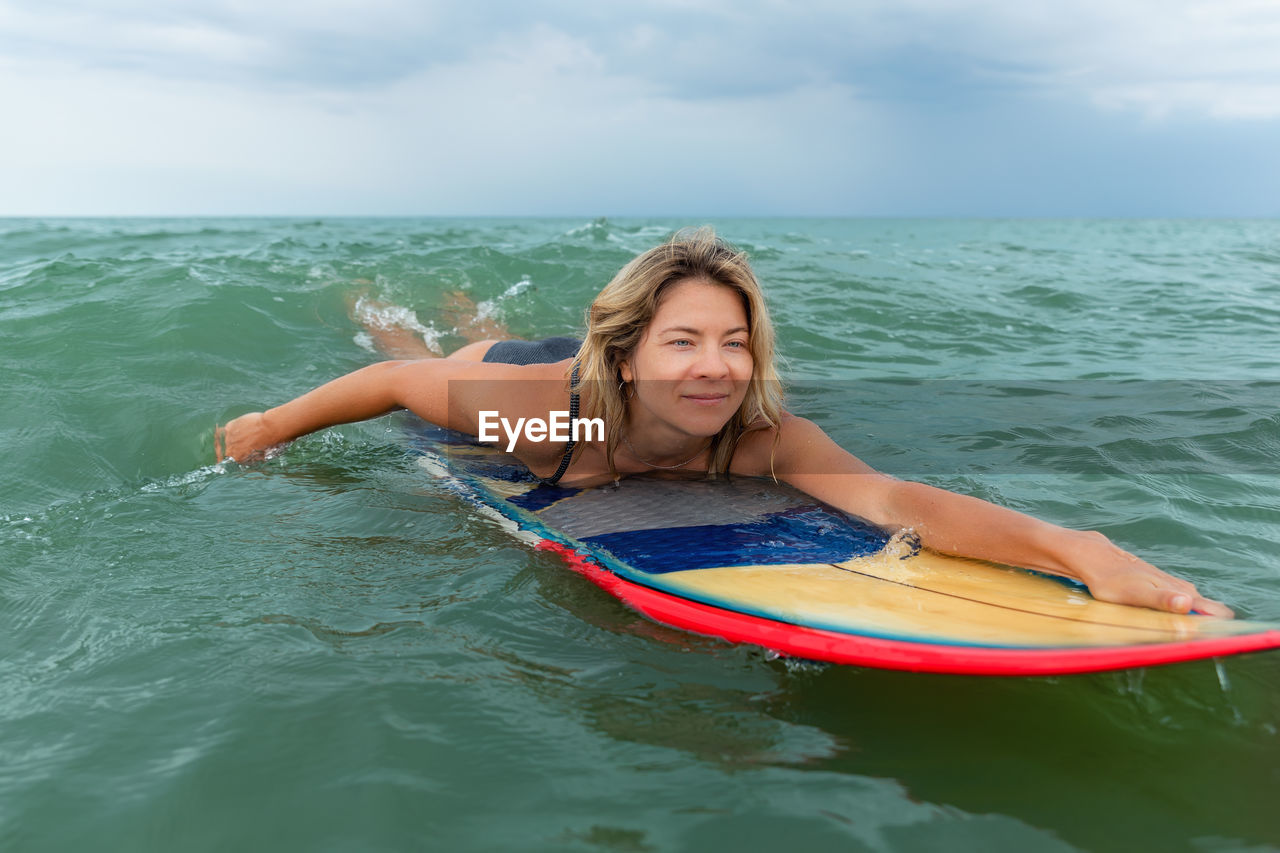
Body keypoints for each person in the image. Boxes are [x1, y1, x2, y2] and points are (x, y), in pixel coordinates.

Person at [217, 228, 1232, 618]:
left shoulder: (757, 435)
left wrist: (1074, 546)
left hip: (587, 377)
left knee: (481, 333)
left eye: (733, 341)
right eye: (684, 340)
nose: (715, 365)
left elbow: (887, 498)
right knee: (429, 348)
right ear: (629, 352)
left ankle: (468, 301)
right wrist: (267, 426)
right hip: (523, 383)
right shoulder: (537, 417)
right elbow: (395, 387)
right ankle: (374, 292)